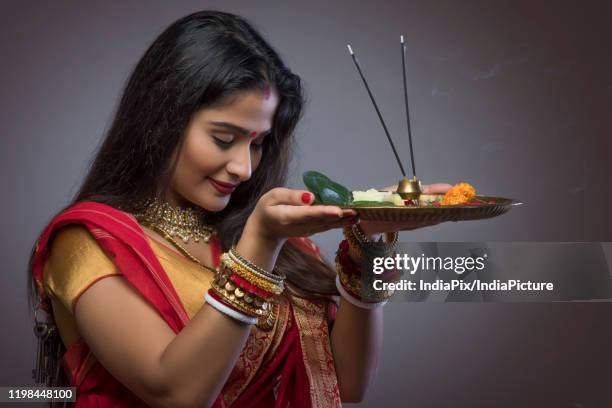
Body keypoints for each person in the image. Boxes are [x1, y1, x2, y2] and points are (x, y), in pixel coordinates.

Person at [28, 10, 450, 407]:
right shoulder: (85, 243)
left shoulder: (274, 238)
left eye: (258, 143)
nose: (244, 167)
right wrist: (259, 245)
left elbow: (348, 383)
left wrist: (368, 237)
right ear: (160, 121)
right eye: (224, 138)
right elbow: (175, 393)